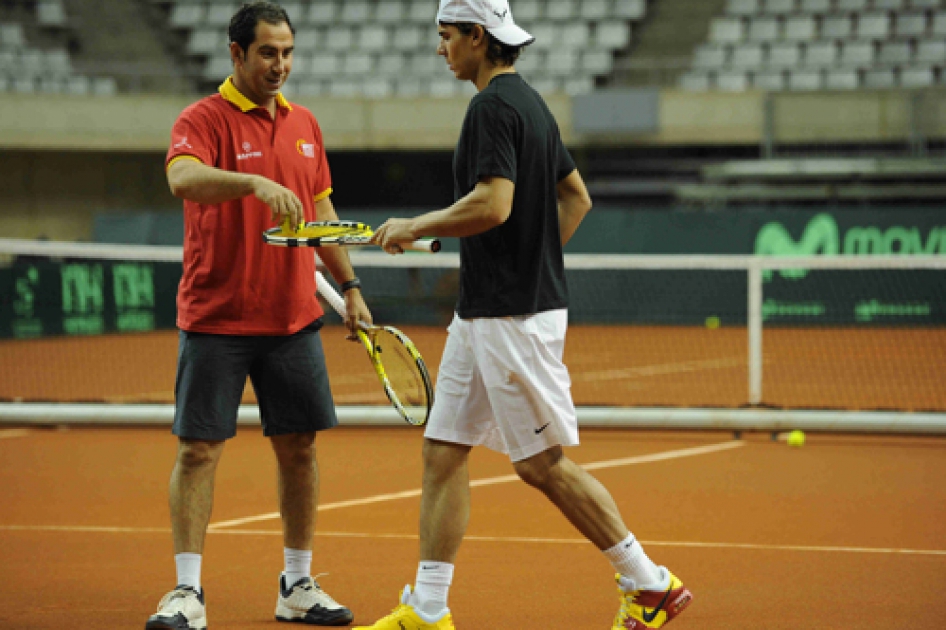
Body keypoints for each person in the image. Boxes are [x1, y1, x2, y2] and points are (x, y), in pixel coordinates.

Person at [360, 1, 694, 629]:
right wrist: (531, 257)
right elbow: (577, 196)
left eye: (446, 37)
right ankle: (429, 609)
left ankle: (647, 581)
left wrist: (416, 226)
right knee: (442, 450)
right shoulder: (532, 104)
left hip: (511, 316)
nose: (441, 50)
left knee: (541, 465)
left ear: (476, 38)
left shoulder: (491, 107)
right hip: (487, 311)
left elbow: (493, 203)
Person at [145, 2, 368, 628]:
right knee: (198, 453)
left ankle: (296, 584)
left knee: (299, 450)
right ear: (236, 53)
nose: (281, 65)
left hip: (294, 318)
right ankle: (187, 592)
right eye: (268, 53)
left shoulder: (305, 125)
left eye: (288, 53)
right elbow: (182, 179)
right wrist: (251, 185)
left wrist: (348, 284)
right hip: (217, 317)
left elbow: (320, 209)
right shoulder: (203, 119)